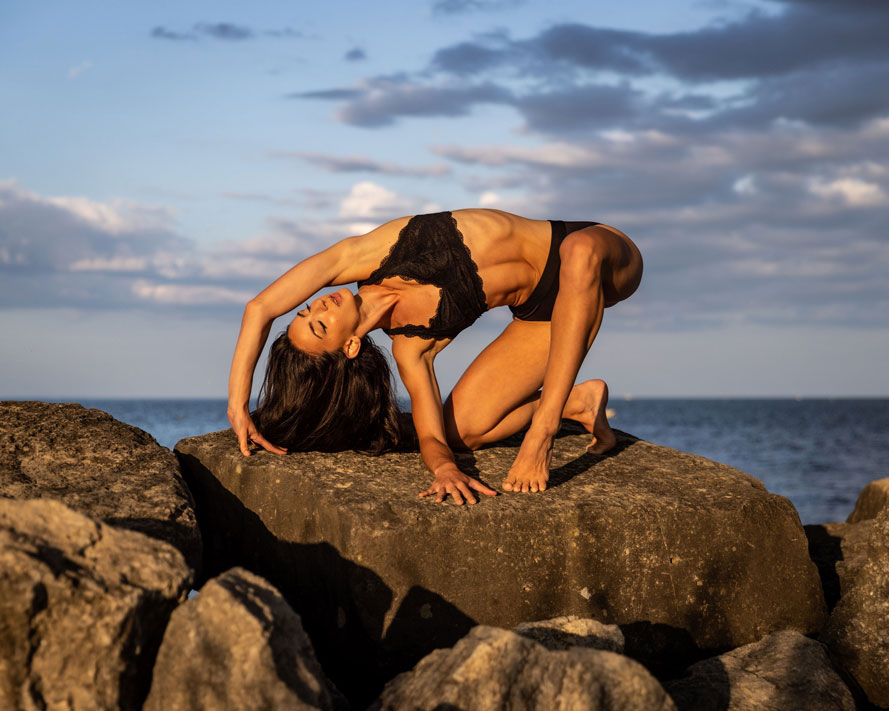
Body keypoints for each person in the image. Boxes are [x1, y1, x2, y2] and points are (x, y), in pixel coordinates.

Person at [227, 209, 643, 504]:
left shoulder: (369, 254)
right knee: (461, 431)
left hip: (599, 254)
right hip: (543, 316)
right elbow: (430, 437)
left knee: (579, 251)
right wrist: (445, 469)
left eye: (308, 309)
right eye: (319, 324)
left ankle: (545, 428)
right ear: (350, 346)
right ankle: (579, 403)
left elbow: (259, 309)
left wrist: (239, 406)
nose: (319, 306)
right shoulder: (410, 346)